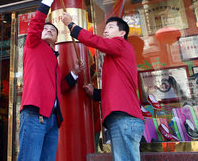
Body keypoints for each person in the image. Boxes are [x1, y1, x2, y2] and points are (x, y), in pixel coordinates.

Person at [61, 14, 144, 161]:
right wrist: (96, 93)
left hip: (124, 117)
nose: (106, 31)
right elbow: (117, 88)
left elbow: (96, 41)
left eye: (111, 27)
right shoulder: (116, 54)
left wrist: (72, 26)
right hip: (122, 118)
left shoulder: (121, 44)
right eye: (105, 28)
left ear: (122, 33)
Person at [18, 0, 83, 161]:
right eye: (45, 29)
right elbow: (37, 22)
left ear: (56, 40)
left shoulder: (54, 57)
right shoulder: (33, 45)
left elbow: (60, 88)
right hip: (35, 112)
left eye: (52, 31)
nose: (48, 30)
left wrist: (75, 73)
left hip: (53, 118)